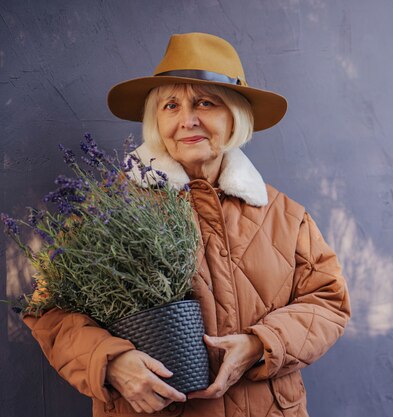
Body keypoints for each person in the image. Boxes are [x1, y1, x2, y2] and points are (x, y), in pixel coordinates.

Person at [23, 33, 350, 417]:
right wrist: (110, 362)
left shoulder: (285, 215)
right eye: (170, 105)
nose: (186, 120)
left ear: (236, 115)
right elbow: (49, 309)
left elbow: (328, 301)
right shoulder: (109, 211)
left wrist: (261, 344)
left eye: (205, 103)